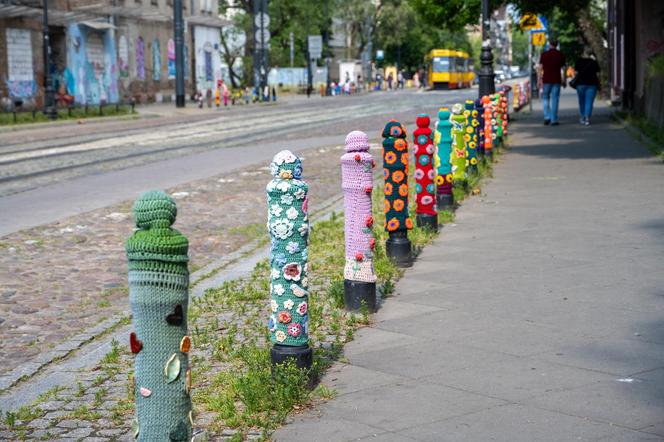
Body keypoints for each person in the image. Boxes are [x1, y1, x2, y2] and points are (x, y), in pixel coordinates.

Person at [538, 39, 566, 126]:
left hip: (546, 80)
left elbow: (540, 68)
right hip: (557, 80)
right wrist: (564, 79)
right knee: (555, 99)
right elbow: (564, 69)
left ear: (549, 44)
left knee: (545, 98)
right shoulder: (560, 54)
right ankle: (554, 120)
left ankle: (547, 117)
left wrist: (539, 79)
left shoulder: (544, 54)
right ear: (557, 45)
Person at [573, 50, 601, 126]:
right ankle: (587, 118)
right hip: (592, 84)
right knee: (589, 102)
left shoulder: (578, 61)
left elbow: (575, 73)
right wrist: (599, 83)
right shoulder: (594, 62)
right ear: (590, 54)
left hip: (580, 84)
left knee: (581, 101)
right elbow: (598, 74)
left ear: (583, 54)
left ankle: (582, 117)